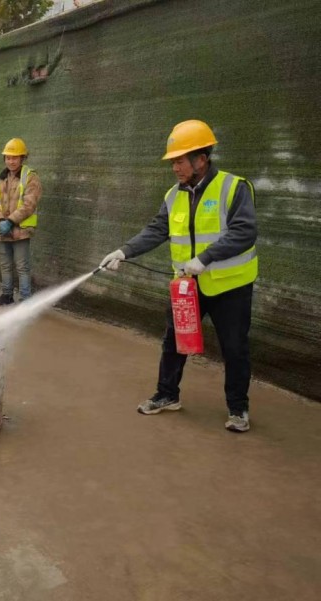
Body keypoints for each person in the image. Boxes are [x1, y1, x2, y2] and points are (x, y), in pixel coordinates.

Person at [101, 120, 258, 433]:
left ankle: (238, 408)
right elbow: (158, 229)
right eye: (173, 161)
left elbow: (245, 231)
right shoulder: (174, 195)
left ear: (201, 159)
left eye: (180, 160)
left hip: (231, 286)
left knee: (234, 348)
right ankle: (167, 395)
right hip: (188, 287)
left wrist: (205, 257)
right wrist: (124, 252)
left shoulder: (233, 187)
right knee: (174, 340)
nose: (175, 167)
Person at [0, 138, 42, 305]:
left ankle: (25, 299)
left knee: (22, 266)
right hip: (2, 230)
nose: (11, 161)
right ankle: (7, 295)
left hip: (21, 231)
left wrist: (10, 221)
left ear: (22, 158)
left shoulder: (30, 177)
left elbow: (29, 204)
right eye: (8, 158)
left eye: (15, 157)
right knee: (5, 265)